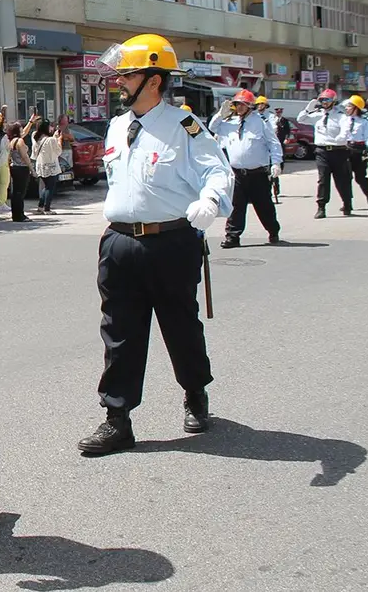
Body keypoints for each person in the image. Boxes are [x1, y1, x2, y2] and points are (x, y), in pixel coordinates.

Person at [77, 33, 231, 456]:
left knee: (180, 325)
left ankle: (196, 394)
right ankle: (117, 419)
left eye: (129, 76)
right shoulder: (117, 126)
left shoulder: (184, 126)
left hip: (170, 240)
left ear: (155, 81)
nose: (120, 83)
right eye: (121, 75)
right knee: (119, 333)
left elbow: (217, 171)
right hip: (120, 243)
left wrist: (210, 200)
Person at [208, 89, 283, 248]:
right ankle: (232, 237)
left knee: (264, 206)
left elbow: (273, 144)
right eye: (236, 104)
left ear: (250, 105)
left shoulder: (261, 122)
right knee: (236, 206)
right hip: (237, 174)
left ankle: (273, 230)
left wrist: (276, 163)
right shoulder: (230, 123)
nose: (239, 107)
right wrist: (220, 114)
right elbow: (213, 128)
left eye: (242, 104)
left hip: (257, 173)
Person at [298, 89, 352, 219]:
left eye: (327, 100)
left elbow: (346, 129)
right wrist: (308, 108)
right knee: (323, 180)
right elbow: (301, 119)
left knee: (341, 180)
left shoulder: (340, 116)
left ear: (333, 101)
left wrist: (341, 137)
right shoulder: (318, 115)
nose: (324, 103)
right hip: (322, 151)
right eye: (322, 100)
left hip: (338, 151)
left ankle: (347, 203)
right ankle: (321, 207)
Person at [342, 95, 368, 207]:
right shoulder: (343, 120)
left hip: (359, 150)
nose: (346, 108)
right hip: (346, 149)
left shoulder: (364, 122)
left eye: (349, 106)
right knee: (346, 177)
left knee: (360, 178)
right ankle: (347, 202)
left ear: (356, 108)